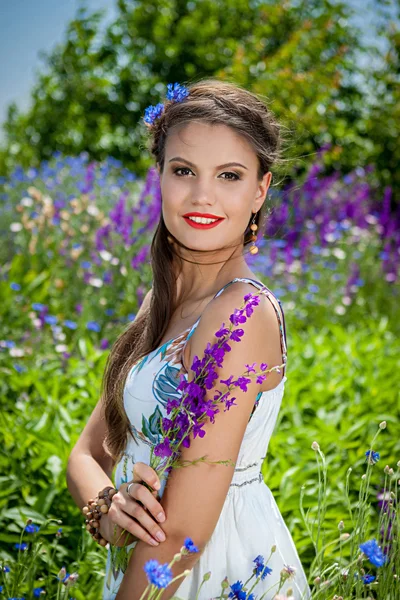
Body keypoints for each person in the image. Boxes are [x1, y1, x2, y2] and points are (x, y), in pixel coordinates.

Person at [66, 78, 311, 599]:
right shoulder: (161, 301)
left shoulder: (240, 314)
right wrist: (107, 509)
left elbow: (181, 535)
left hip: (205, 572)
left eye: (229, 175)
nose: (202, 196)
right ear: (160, 177)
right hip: (149, 568)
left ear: (260, 190)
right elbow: (88, 453)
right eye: (184, 171)